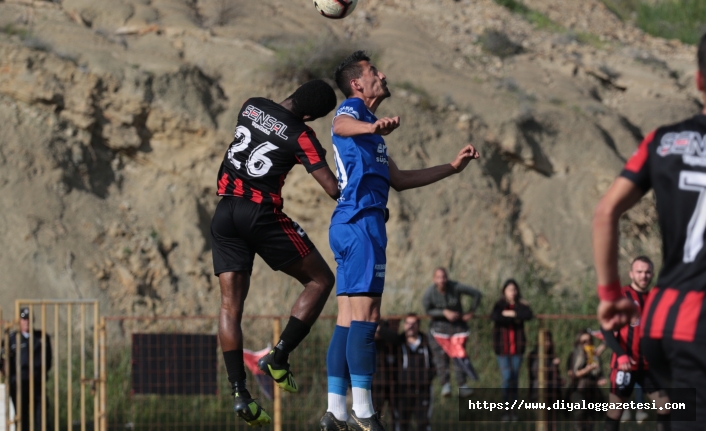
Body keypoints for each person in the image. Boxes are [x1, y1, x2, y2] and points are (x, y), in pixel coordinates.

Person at [319, 50, 480, 431]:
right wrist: (372, 129)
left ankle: (335, 412)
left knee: (346, 320)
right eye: (374, 71)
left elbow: (401, 179)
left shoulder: (370, 125)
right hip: (361, 223)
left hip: (350, 224)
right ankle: (363, 409)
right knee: (369, 318)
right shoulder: (353, 112)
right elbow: (340, 126)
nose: (383, 74)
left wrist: (451, 169)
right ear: (358, 83)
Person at [210, 79, 341, 426]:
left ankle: (240, 393)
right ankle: (278, 356)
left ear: (296, 91)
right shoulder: (302, 135)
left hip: (224, 213)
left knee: (229, 308)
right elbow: (331, 188)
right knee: (320, 280)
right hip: (260, 214)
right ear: (312, 116)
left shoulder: (251, 105)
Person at [592, 32, 706, 430]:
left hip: (670, 320)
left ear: (698, 80)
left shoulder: (664, 141)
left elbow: (606, 212)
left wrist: (608, 296)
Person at [601, 256, 671, 431]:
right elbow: (605, 329)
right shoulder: (622, 297)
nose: (644, 276)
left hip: (648, 367)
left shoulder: (656, 298)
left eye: (647, 272)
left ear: (652, 274)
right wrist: (621, 354)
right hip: (624, 365)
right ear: (631, 274)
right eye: (639, 272)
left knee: (665, 406)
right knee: (615, 411)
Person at [422, 267, 482, 397]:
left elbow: (477, 294)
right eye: (438, 277)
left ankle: (462, 385)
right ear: (434, 279)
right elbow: (427, 310)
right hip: (438, 330)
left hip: (457, 329)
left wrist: (471, 312)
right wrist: (444, 312)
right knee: (440, 358)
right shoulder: (429, 293)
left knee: (459, 356)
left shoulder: (455, 287)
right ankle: (445, 385)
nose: (441, 280)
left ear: (447, 278)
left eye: (443, 277)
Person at [0, 308, 52, 431]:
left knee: (41, 417)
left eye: (28, 318)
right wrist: (5, 372)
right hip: (18, 385)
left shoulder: (41, 338)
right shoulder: (11, 339)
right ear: (19, 321)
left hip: (37, 383)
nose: (26, 321)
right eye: (24, 319)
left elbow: (48, 360)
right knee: (22, 418)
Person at [490, 279, 533, 421]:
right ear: (504, 291)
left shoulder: (521, 305)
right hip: (502, 349)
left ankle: (513, 412)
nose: (512, 292)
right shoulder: (499, 305)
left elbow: (527, 315)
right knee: (506, 378)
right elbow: (495, 317)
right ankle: (505, 410)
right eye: (510, 290)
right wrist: (513, 316)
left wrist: (510, 314)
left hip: (517, 349)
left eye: (514, 290)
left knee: (514, 379)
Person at [395, 313, 435, 431]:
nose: (410, 326)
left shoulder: (428, 342)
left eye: (413, 323)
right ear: (403, 325)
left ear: (419, 325)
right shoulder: (398, 342)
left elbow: (436, 362)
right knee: (402, 423)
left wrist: (429, 377)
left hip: (424, 389)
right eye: (407, 323)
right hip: (403, 390)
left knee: (423, 423)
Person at [567, 330, 606, 431]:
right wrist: (587, 370)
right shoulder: (574, 356)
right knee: (580, 412)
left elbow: (599, 375)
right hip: (578, 390)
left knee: (591, 420)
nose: (587, 344)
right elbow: (572, 374)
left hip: (592, 391)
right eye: (584, 342)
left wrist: (600, 379)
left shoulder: (595, 357)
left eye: (589, 341)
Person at [371, 319, 400, 420]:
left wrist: (379, 328)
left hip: (392, 384)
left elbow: (396, 338)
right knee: (374, 416)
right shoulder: (368, 344)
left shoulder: (389, 342)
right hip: (375, 386)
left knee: (397, 416)